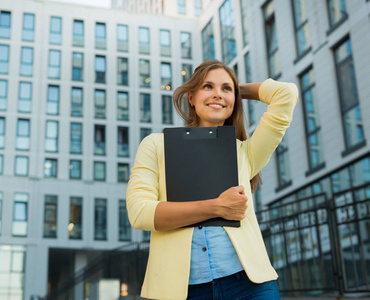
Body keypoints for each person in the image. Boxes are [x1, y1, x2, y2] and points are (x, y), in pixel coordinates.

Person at [126, 59, 298, 300]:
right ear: (191, 97)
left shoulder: (245, 152)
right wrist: (216, 207)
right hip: (182, 291)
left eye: (225, 88)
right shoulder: (156, 145)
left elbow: (286, 94)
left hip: (249, 286)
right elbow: (140, 212)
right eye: (207, 86)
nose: (218, 94)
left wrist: (238, 91)